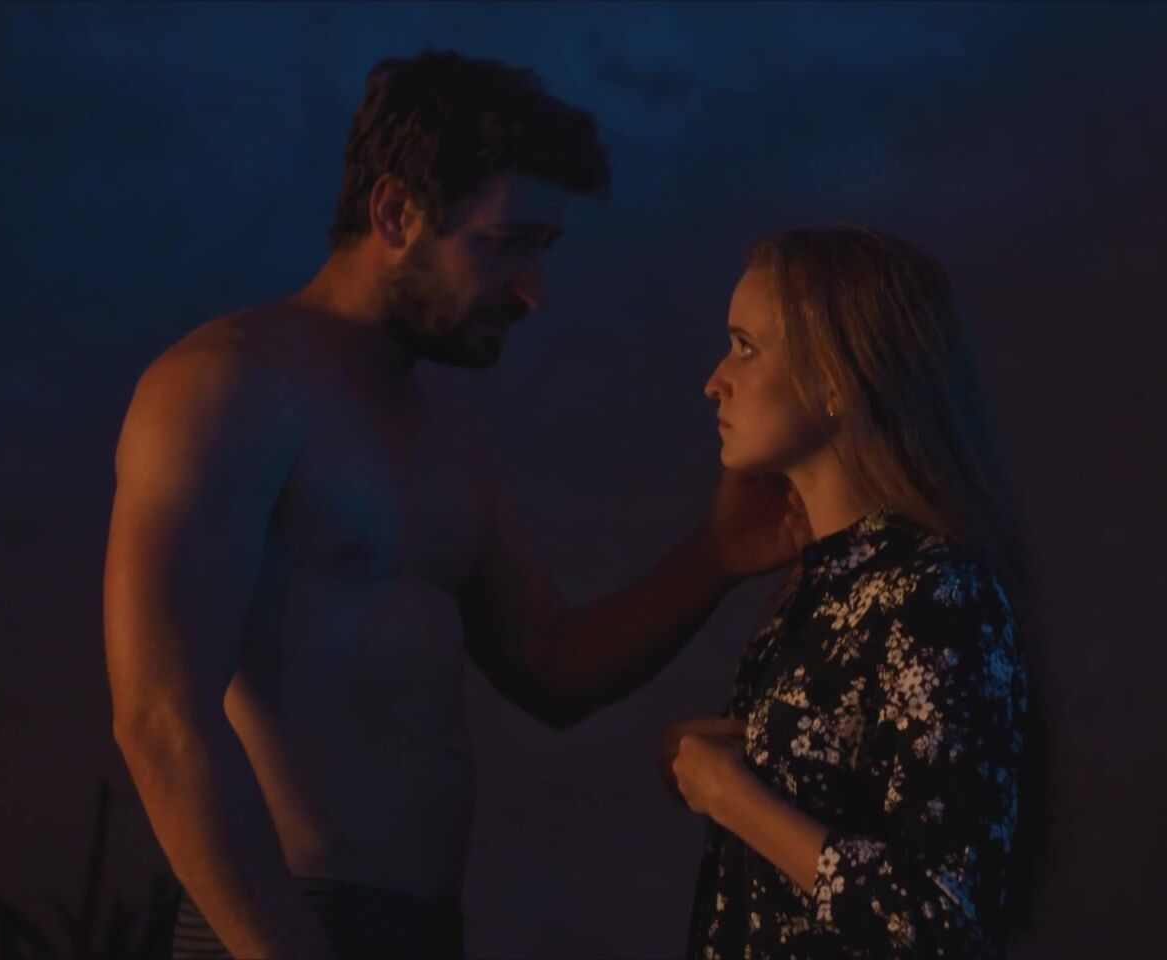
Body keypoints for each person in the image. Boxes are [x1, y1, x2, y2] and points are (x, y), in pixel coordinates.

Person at [102, 50, 806, 960]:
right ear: (395, 212)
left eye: (543, 251)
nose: (532, 291)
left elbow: (551, 669)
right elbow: (161, 721)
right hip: (273, 930)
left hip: (424, 930)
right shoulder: (223, 387)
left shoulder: (446, 430)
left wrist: (715, 553)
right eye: (507, 243)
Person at [662, 226, 1048, 959]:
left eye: (745, 347)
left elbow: (944, 920)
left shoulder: (941, 596)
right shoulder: (821, 589)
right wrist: (718, 760)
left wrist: (735, 799)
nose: (715, 380)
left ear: (837, 381)